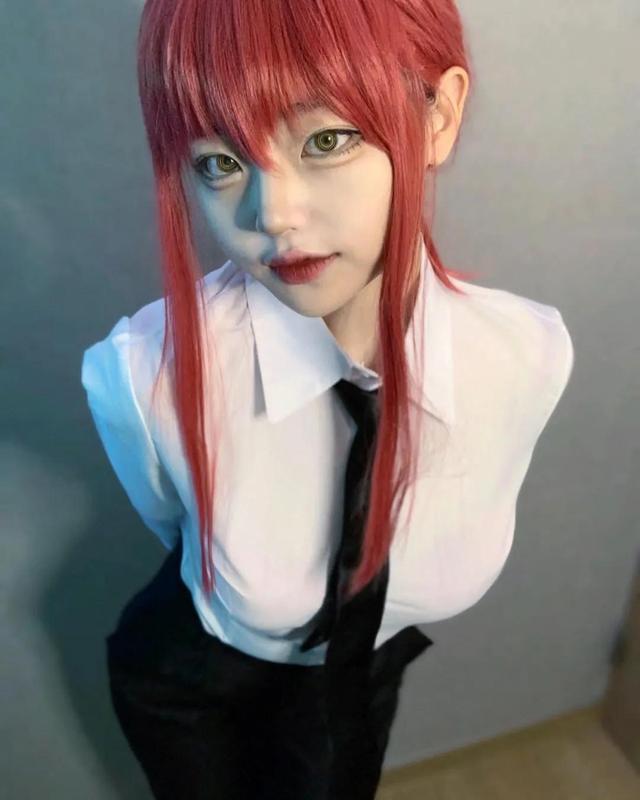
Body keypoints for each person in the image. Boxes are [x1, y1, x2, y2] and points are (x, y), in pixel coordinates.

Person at [80, 1, 575, 798]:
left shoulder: (528, 355)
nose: (271, 216)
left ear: (439, 115)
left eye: (326, 140)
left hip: (361, 677)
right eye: (220, 162)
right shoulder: (143, 376)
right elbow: (174, 525)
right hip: (194, 688)